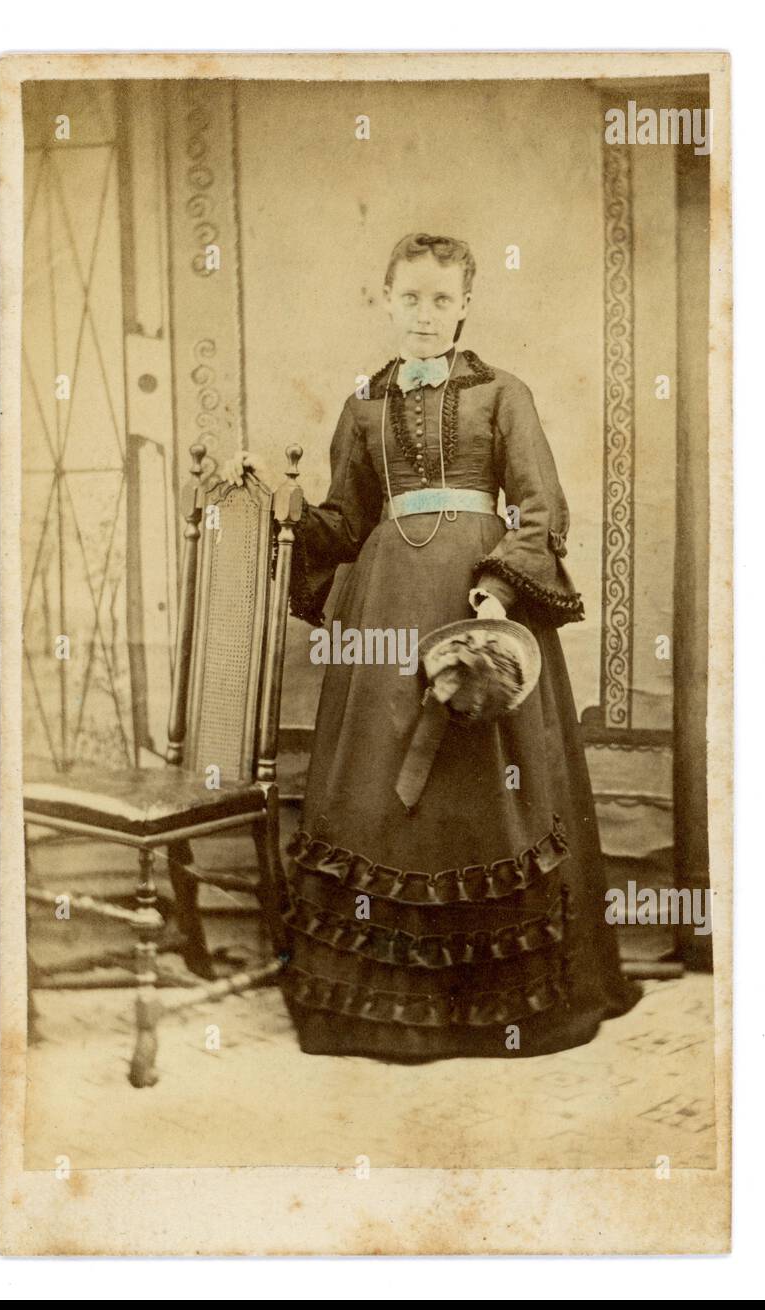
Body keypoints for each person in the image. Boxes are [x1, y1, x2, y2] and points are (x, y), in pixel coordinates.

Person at [222, 232, 641, 1062]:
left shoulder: (503, 394)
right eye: (408, 298)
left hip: (477, 592)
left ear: (465, 306)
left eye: (440, 299)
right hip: (384, 605)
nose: (424, 314)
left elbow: (540, 506)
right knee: (382, 784)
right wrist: (295, 510)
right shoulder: (363, 405)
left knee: (485, 783)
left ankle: (498, 1006)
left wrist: (497, 591)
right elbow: (345, 524)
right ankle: (379, 1010)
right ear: (386, 299)